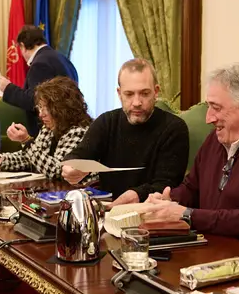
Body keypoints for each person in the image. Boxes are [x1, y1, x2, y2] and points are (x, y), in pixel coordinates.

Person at [142, 63, 239, 248]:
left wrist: (187, 215)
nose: (208, 118)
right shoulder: (216, 138)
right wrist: (167, 201)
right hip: (206, 249)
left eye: (216, 108)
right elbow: (192, 188)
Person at [61, 58, 189, 206]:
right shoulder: (107, 122)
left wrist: (137, 195)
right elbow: (80, 154)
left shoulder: (174, 128)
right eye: (129, 94)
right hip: (107, 209)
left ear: (156, 92)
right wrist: (70, 167)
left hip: (150, 212)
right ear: (119, 93)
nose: (136, 102)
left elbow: (167, 185)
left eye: (144, 93)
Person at [0, 76, 91, 180]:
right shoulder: (49, 128)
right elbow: (31, 159)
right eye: (40, 107)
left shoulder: (79, 131)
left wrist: (27, 141)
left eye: (46, 108)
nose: (41, 114)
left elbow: (57, 171)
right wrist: (1, 160)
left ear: (63, 108)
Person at [0, 25, 79, 137]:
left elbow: (35, 100)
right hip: (68, 127)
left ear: (22, 46)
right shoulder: (62, 58)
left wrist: (8, 88)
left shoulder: (40, 64)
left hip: (51, 132)